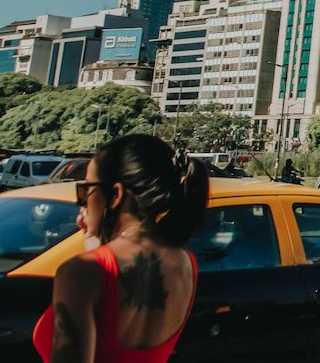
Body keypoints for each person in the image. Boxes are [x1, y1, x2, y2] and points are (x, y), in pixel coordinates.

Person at [34, 134, 209, 363]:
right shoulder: (186, 263)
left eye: (86, 190)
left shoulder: (81, 272)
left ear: (115, 195)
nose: (83, 202)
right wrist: (93, 241)